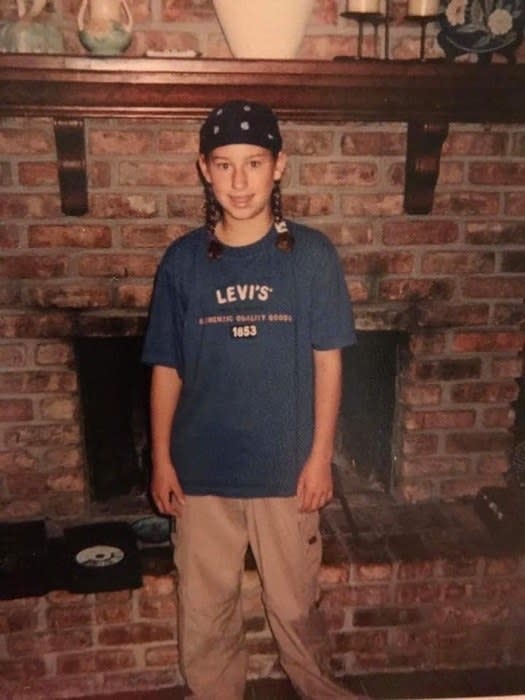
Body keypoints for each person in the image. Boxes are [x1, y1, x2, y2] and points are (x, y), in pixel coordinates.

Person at [142, 100, 358, 700]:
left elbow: (328, 363)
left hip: (286, 470)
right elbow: (166, 366)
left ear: (279, 166)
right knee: (205, 615)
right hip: (202, 472)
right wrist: (161, 459)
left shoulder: (313, 258)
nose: (240, 182)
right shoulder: (182, 263)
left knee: (295, 609)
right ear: (204, 170)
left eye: (254, 163)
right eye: (225, 165)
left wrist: (320, 458)